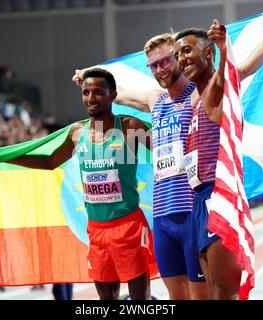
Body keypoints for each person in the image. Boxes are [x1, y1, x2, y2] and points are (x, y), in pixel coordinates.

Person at [173, 5, 263, 299]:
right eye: (178, 54)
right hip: (198, 201)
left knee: (225, 294)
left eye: (187, 51)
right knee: (212, 293)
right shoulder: (193, 101)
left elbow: (239, 68)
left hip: (220, 197)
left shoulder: (217, 90)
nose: (181, 60)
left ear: (207, 54)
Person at [73, 33, 209, 300]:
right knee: (176, 295)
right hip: (163, 213)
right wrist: (88, 75)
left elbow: (237, 72)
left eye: (165, 61)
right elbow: (116, 95)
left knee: (203, 294)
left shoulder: (199, 93)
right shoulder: (155, 99)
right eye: (153, 65)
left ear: (180, 59)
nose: (160, 69)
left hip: (194, 208)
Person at [7, 68, 155, 300]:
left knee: (140, 300)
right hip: (96, 230)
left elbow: (166, 150)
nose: (90, 98)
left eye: (98, 92)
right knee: (106, 299)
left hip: (128, 227)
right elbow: (50, 162)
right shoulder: (77, 132)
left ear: (113, 95)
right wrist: (7, 156)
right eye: (86, 92)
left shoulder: (130, 127)